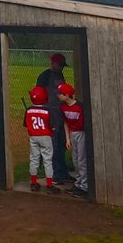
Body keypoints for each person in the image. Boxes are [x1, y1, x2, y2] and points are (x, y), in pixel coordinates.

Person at [36, 53, 73, 182]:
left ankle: (62, 171)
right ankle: (55, 173)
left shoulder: (60, 75)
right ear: (53, 63)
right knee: (53, 144)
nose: (62, 68)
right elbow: (38, 95)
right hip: (50, 114)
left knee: (62, 143)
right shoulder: (44, 76)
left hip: (61, 113)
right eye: (60, 65)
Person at [24, 86, 59, 193]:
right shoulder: (48, 110)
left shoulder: (29, 110)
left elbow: (26, 124)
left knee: (34, 159)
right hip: (45, 137)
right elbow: (53, 126)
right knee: (47, 161)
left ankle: (33, 183)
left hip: (33, 137)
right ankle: (49, 186)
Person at [58, 83, 89, 198]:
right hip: (72, 134)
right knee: (75, 160)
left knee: (82, 160)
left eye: (60, 94)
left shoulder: (80, 107)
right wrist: (67, 138)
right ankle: (78, 183)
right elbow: (66, 122)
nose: (58, 95)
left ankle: (85, 186)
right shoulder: (63, 107)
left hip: (81, 133)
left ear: (67, 95)